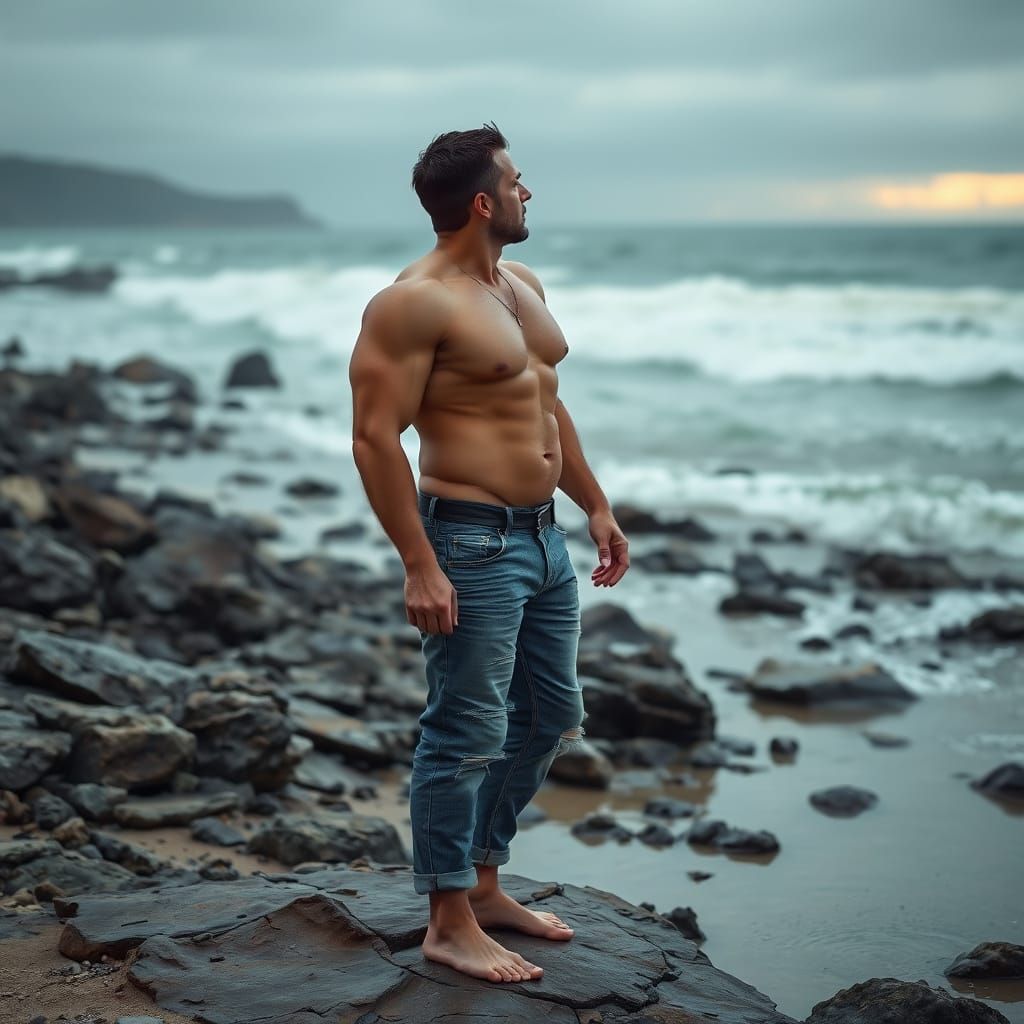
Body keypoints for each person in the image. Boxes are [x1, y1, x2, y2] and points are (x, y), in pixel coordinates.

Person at [348, 122, 629, 985]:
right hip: (468, 541)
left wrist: (596, 504)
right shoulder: (413, 302)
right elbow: (373, 438)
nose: (526, 192)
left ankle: (484, 881)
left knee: (548, 717)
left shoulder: (521, 283)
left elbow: (546, 406)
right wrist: (418, 564)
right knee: (465, 728)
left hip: (542, 538)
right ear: (482, 201)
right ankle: (447, 919)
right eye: (516, 181)